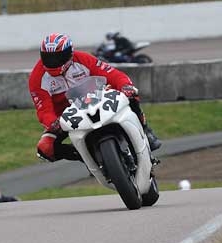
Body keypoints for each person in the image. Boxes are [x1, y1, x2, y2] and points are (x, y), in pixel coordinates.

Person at [29, 33, 162, 163]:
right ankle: (88, 157)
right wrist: (53, 122)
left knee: (131, 96)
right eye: (48, 58)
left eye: (58, 57)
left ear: (69, 54)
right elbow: (43, 110)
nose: (53, 62)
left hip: (95, 99)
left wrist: (126, 86)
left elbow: (113, 74)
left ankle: (145, 129)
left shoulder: (83, 59)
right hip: (66, 118)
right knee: (44, 148)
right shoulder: (37, 78)